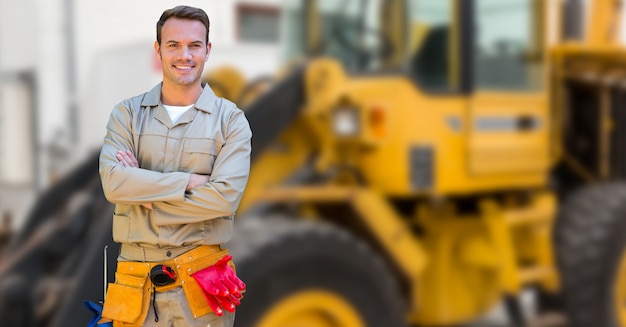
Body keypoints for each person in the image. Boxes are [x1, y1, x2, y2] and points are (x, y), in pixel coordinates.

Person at [98, 5, 251, 327]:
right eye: (173, 45)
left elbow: (224, 198)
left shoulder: (231, 120)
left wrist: (145, 197)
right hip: (134, 281)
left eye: (195, 45)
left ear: (208, 50)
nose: (185, 55)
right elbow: (113, 183)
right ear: (158, 50)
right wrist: (190, 182)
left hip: (202, 280)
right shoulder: (126, 115)